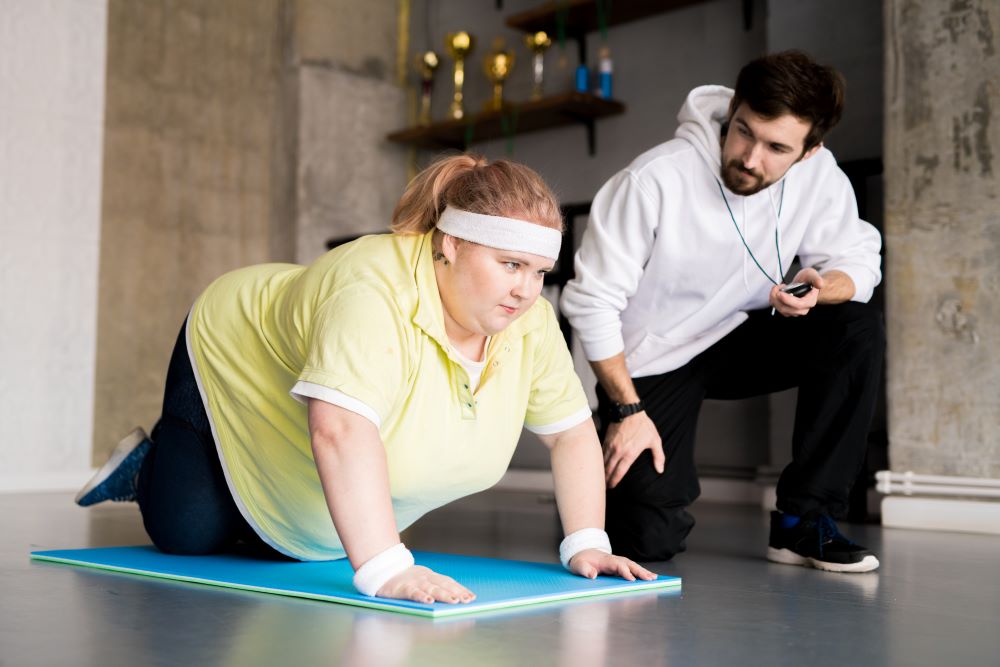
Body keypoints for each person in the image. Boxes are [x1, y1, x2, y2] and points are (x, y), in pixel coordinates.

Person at [76, 154, 654, 604]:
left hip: (299, 420)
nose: (526, 290)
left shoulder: (530, 324)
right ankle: (146, 465)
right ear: (450, 243)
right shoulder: (371, 289)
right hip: (233, 353)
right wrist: (386, 569)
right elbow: (340, 433)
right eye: (510, 265)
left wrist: (587, 545)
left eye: (539, 271)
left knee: (305, 540)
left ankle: (253, 501)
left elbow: (571, 434)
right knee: (189, 533)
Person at [560, 51, 884, 573]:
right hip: (650, 357)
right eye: (743, 132)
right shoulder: (655, 179)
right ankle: (595, 491)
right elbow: (591, 302)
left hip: (742, 333)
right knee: (644, 542)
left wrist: (817, 289)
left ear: (809, 151)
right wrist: (625, 411)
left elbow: (858, 261)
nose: (750, 158)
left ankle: (804, 521)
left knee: (855, 325)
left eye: (776, 147)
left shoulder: (819, 175)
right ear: (732, 110)